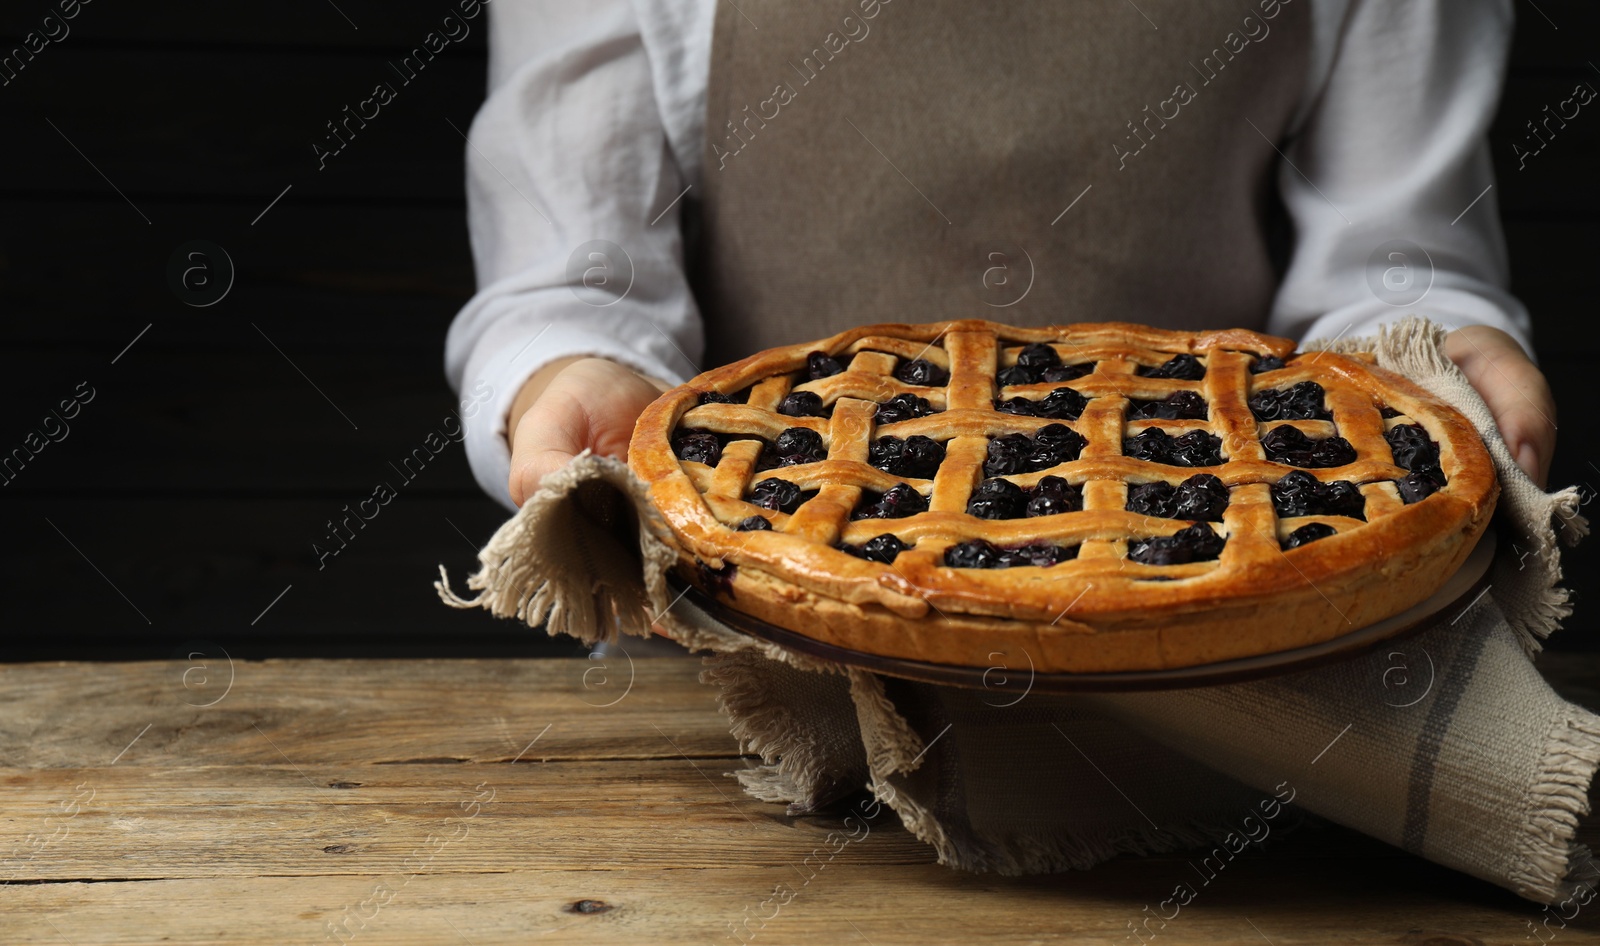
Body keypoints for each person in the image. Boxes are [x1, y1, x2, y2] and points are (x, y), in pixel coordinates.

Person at [446, 0, 1555, 511]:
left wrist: (1435, 351)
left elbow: (1390, 266)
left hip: (1226, 679)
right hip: (738, 676)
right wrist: (569, 373)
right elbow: (574, 282)